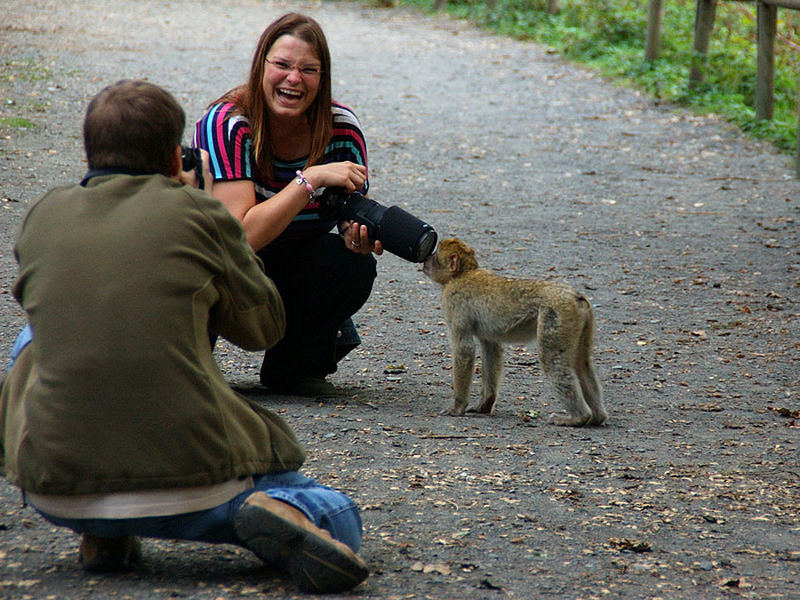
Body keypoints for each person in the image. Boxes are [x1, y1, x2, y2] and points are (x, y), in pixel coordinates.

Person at [0, 79, 368, 594]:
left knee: (35, 336)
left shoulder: (43, 216)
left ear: (90, 151)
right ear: (176, 157)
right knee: (339, 517)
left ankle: (105, 527)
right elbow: (264, 329)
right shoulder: (202, 215)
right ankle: (265, 507)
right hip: (197, 485)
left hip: (57, 486)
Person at [194, 12, 381, 397]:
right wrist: (309, 180)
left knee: (351, 264)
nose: (294, 79)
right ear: (260, 66)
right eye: (282, 65)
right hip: (213, 267)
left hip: (289, 262)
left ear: (322, 78)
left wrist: (358, 234)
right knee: (186, 382)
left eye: (308, 70)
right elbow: (238, 240)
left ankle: (293, 367)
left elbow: (349, 215)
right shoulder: (229, 124)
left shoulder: (342, 129)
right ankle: (188, 358)